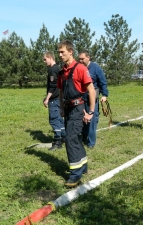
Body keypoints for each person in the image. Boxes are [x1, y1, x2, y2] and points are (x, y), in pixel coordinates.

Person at [57, 40, 95, 188]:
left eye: (63, 52)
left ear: (70, 51)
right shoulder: (62, 71)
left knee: (70, 138)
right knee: (74, 137)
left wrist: (90, 111)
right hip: (67, 109)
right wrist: (61, 107)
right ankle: (83, 165)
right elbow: (60, 91)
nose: (60, 55)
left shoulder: (80, 68)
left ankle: (75, 175)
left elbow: (91, 90)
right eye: (59, 52)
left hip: (78, 108)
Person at [78, 49, 109, 149]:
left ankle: (91, 142)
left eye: (82, 59)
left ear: (88, 57)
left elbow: (103, 82)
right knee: (82, 119)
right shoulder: (79, 68)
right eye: (79, 59)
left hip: (92, 98)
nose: (81, 61)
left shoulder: (96, 68)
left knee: (91, 120)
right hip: (82, 98)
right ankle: (83, 137)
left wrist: (104, 95)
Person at [43, 51, 66, 150]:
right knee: (60, 120)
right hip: (59, 98)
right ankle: (64, 136)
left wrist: (47, 98)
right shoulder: (58, 69)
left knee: (54, 120)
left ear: (50, 57)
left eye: (45, 59)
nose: (44, 62)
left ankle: (57, 141)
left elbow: (52, 86)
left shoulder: (52, 70)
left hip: (54, 99)